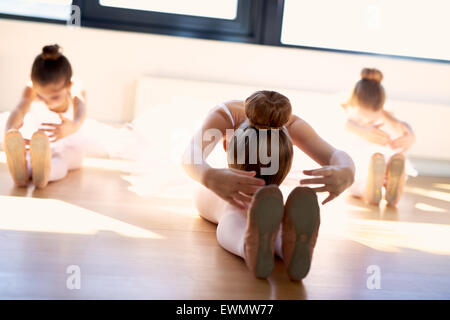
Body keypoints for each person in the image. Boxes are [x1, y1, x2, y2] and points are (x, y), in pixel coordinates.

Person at [182, 90, 355, 280]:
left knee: (231, 209)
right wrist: (209, 177)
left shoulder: (281, 123)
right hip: (261, 190)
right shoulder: (233, 117)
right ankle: (282, 245)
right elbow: (190, 154)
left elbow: (190, 154)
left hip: (257, 196)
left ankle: (251, 245)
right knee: (258, 209)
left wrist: (346, 172)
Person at [3, 44, 86, 188]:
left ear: (69, 85)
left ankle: (46, 174)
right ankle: (22, 172)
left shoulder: (76, 89)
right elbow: (19, 110)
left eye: (53, 97)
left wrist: (73, 126)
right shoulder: (30, 89)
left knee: (61, 161)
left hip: (70, 144)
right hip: (40, 142)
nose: (47, 101)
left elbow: (81, 111)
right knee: (31, 157)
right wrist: (9, 131)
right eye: (41, 96)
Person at [342, 68, 415, 206]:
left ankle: (384, 188)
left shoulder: (384, 114)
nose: (367, 123)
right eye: (362, 120)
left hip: (376, 161)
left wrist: (410, 136)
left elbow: (403, 125)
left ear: (381, 108)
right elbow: (343, 124)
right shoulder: (346, 112)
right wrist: (362, 130)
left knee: (361, 180)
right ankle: (378, 189)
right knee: (358, 176)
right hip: (363, 161)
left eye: (371, 121)